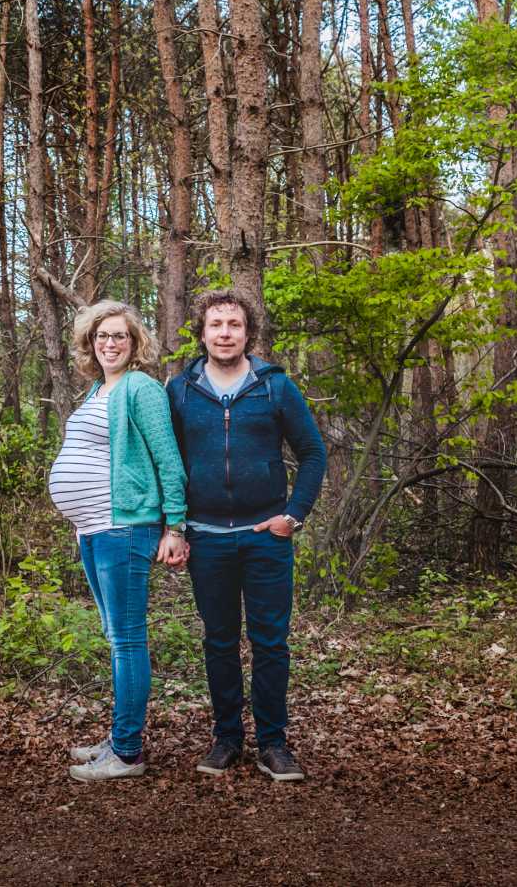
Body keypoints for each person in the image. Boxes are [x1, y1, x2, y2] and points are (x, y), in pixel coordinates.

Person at [167, 290, 326, 782]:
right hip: (207, 539)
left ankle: (274, 744)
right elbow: (164, 462)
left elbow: (314, 454)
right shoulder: (179, 390)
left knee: (271, 643)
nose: (225, 333)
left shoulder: (275, 386)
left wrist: (293, 517)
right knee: (218, 640)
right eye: (216, 324)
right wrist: (171, 527)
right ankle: (227, 738)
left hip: (266, 537)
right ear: (202, 332)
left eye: (234, 324)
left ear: (247, 333)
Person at [47, 298, 189, 782]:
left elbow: (169, 460)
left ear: (135, 344)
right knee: (116, 638)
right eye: (102, 336)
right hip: (92, 529)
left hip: (124, 527)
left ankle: (127, 752)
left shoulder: (140, 388)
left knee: (128, 641)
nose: (110, 343)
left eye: (120, 336)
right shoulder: (96, 391)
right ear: (90, 343)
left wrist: (175, 527)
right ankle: (117, 736)